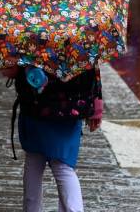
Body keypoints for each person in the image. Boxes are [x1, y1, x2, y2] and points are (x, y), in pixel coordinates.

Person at [6, 66, 103, 212]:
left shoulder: (29, 43)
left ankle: (31, 208)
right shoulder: (81, 43)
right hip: (70, 108)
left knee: (34, 160)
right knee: (63, 166)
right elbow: (92, 67)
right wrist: (97, 107)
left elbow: (11, 71)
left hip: (35, 106)